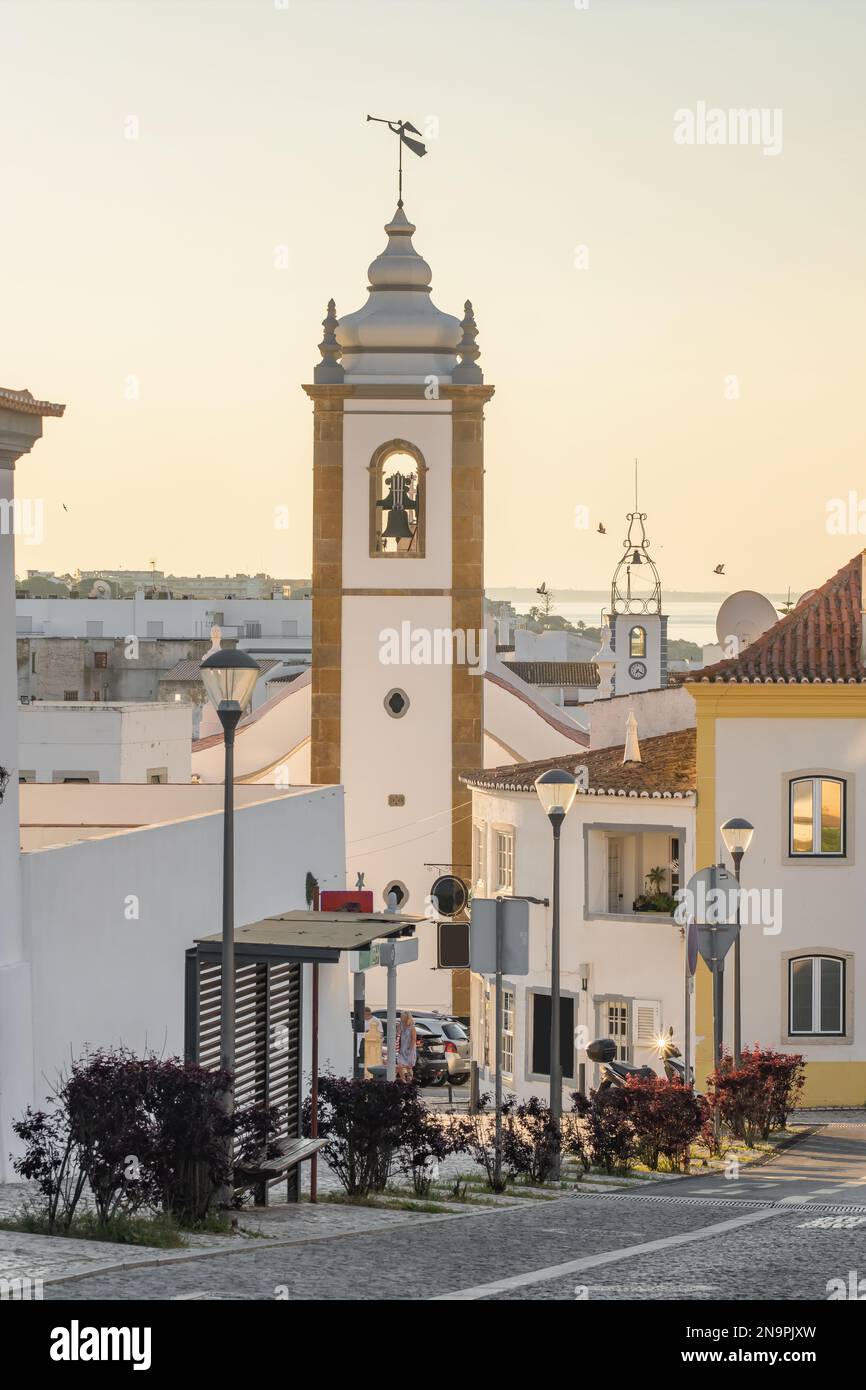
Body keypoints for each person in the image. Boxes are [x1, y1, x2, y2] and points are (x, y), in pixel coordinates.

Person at [395, 1010, 417, 1083]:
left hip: (410, 1049)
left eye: (403, 1017)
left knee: (409, 1067)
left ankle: (409, 1081)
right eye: (401, 1017)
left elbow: (413, 1039)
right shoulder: (399, 1025)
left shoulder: (412, 1027)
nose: (401, 1018)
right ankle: (404, 1081)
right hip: (402, 1049)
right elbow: (397, 1035)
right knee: (399, 1066)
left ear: (407, 1017)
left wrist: (410, 1049)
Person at [363, 1007, 383, 1078]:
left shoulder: (376, 1021)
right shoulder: (362, 1020)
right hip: (364, 1045)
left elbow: (380, 1034)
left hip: (374, 1047)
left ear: (368, 1013)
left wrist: (370, 1033)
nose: (363, 1016)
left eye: (364, 1014)